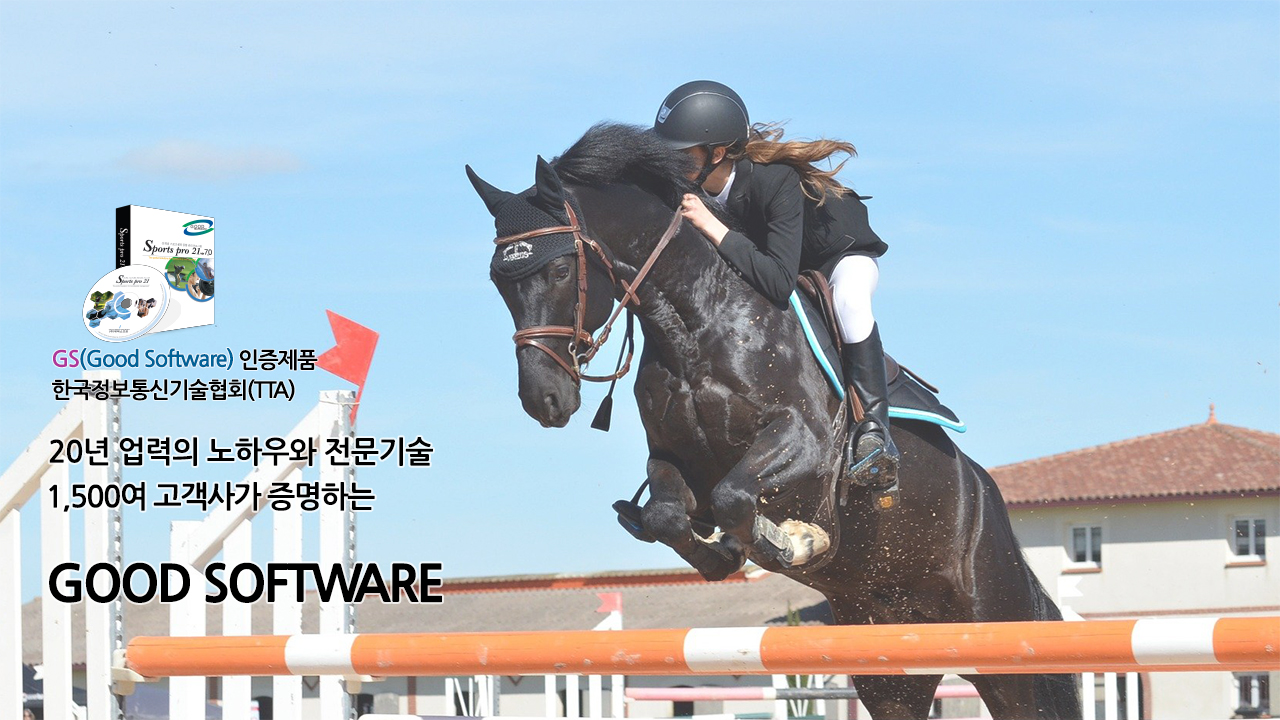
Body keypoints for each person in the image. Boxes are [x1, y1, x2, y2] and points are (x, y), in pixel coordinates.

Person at [652, 80, 900, 488]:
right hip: (775, 258)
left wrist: (713, 226)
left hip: (836, 256)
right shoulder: (693, 187)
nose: (671, 162)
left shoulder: (774, 179)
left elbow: (779, 282)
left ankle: (874, 434)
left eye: (681, 154)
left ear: (717, 153)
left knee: (851, 303)